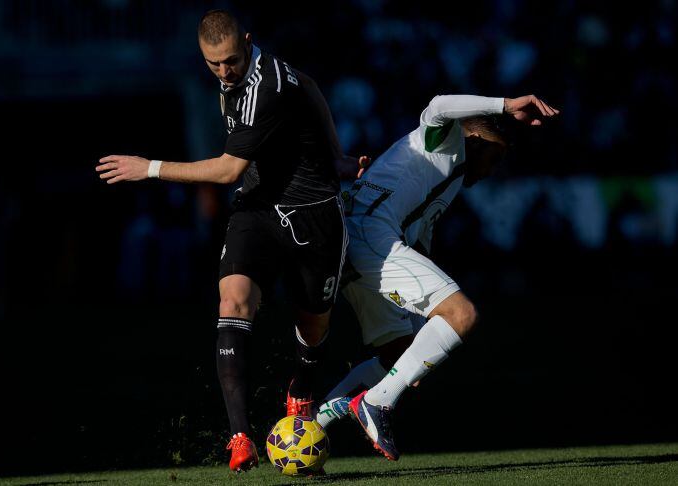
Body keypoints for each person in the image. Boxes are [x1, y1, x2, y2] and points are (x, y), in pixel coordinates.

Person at [96, 10, 354, 472]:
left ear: (249, 42)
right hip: (256, 207)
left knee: (313, 326)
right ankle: (240, 437)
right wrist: (337, 152)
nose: (223, 71)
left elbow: (226, 169)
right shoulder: (239, 76)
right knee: (232, 301)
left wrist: (149, 168)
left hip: (313, 214)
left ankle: (299, 392)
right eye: (212, 64)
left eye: (230, 61)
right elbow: (312, 87)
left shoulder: (268, 87)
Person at [314, 93, 559, 460]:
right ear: (475, 139)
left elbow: (420, 246)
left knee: (398, 354)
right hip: (369, 235)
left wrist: (420, 344)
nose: (492, 169)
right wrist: (506, 106)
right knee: (462, 315)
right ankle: (376, 403)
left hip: (356, 247)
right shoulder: (446, 141)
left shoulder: (449, 180)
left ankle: (311, 425)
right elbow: (440, 104)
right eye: (494, 156)